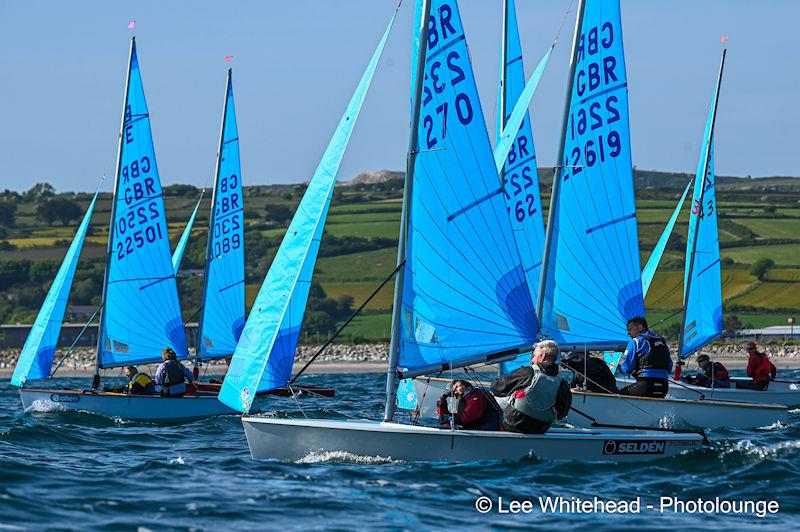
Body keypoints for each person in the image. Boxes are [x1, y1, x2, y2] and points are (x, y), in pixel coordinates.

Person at [490, 340, 572, 434]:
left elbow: (496, 388)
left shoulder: (527, 372)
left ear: (542, 356)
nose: (532, 359)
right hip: (540, 429)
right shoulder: (562, 383)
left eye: (534, 355)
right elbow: (562, 413)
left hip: (513, 424)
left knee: (487, 401)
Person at [618, 317, 673, 398]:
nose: (628, 333)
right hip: (664, 387)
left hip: (645, 386)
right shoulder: (662, 341)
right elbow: (670, 367)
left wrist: (620, 369)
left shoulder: (636, 342)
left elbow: (627, 368)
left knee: (618, 395)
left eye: (630, 329)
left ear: (640, 328)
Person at [436, 379, 501, 431]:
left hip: (488, 427)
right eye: (453, 389)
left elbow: (470, 416)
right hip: (475, 427)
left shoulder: (477, 394)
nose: (455, 390)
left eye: (457, 386)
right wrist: (443, 398)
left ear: (467, 386)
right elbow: (443, 415)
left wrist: (450, 418)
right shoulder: (463, 399)